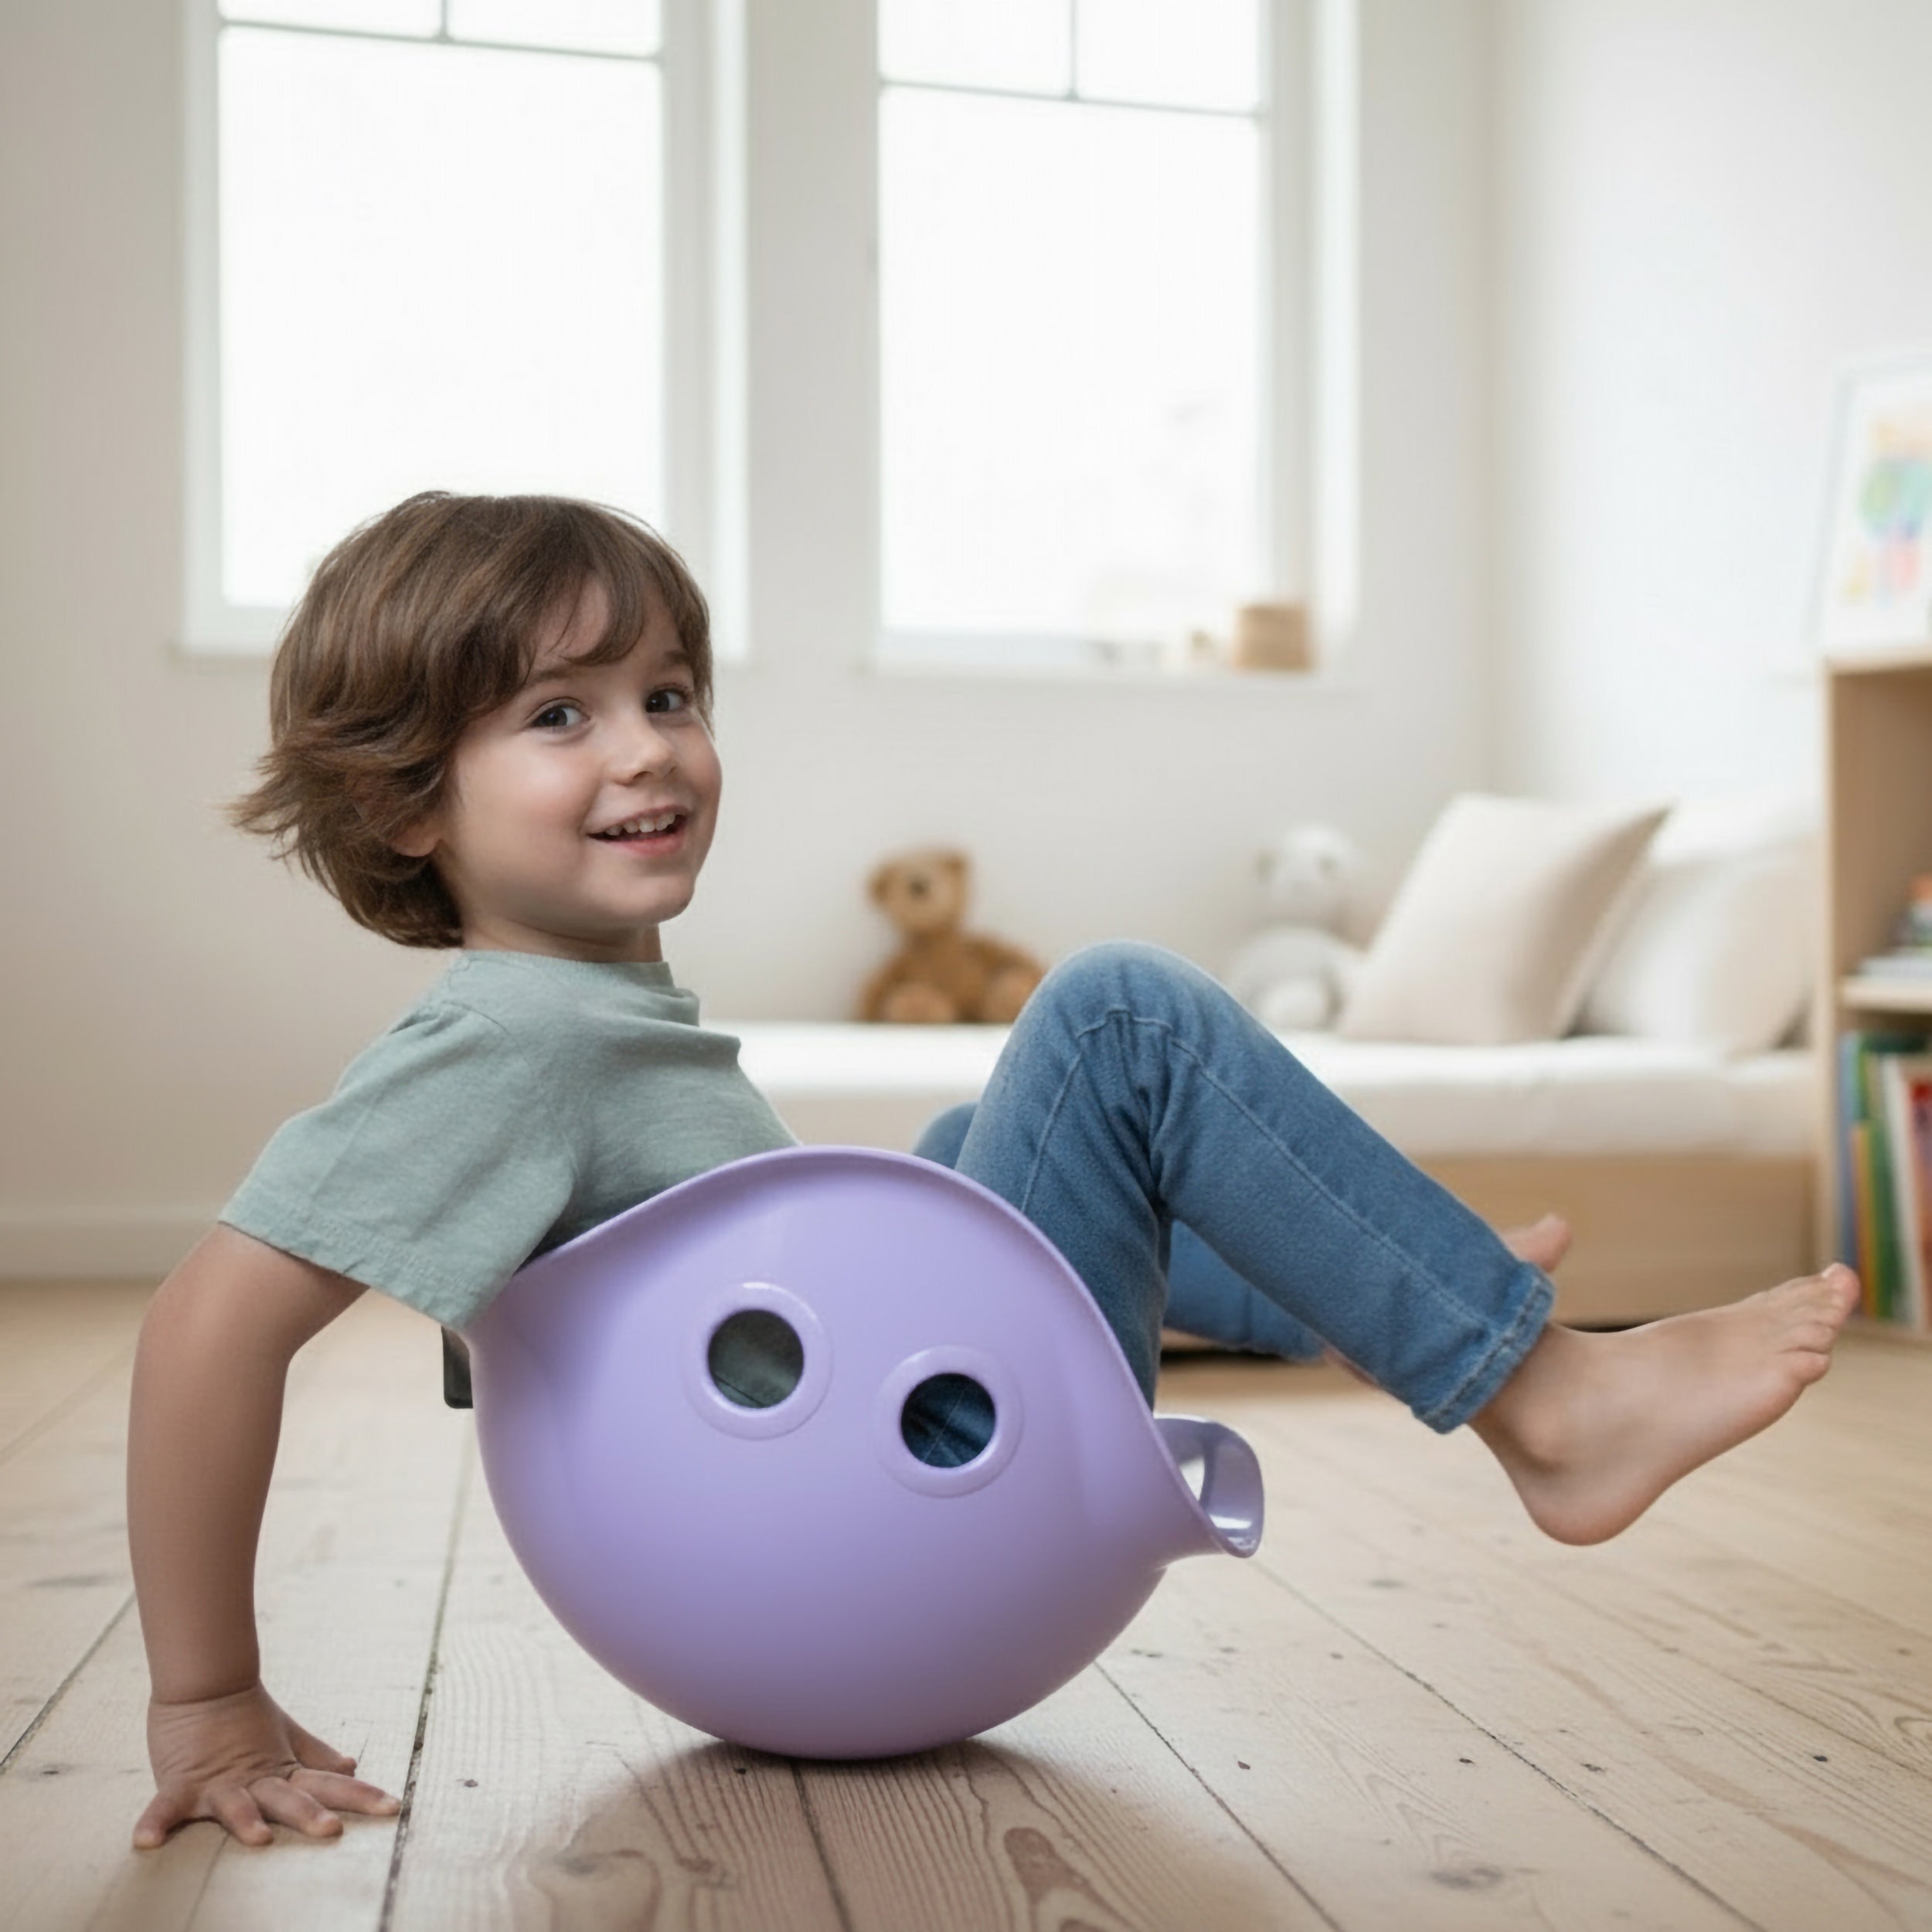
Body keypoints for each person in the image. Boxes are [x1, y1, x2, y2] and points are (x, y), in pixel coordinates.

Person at [127, 492, 1859, 1853]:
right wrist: (207, 1698)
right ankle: (1541, 1398)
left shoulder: (574, 1018)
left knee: (961, 1160)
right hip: (874, 1543)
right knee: (1118, 1019)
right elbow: (209, 1325)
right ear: (411, 802)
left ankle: (1370, 1290)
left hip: (824, 1561)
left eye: (665, 692)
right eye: (558, 714)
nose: (646, 746)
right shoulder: (507, 1050)